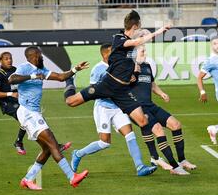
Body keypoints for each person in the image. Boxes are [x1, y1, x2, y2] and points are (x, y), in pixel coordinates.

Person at [63, 11, 170, 176]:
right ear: (134, 26)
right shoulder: (119, 39)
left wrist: (132, 71)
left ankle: (141, 166)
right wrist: (159, 31)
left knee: (142, 121)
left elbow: (137, 44)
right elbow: (140, 40)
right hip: (107, 87)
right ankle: (77, 153)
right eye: (139, 27)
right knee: (71, 102)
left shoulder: (130, 45)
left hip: (121, 92)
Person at [70, 43, 157, 177]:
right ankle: (78, 154)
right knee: (105, 142)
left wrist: (131, 79)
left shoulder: (120, 65)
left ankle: (140, 166)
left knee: (130, 134)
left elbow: (125, 84)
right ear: (105, 54)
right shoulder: (98, 69)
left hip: (118, 107)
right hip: (103, 108)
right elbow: (93, 90)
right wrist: (111, 89)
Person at [8, 46, 89, 190]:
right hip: (27, 112)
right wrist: (32, 76)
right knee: (52, 143)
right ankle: (72, 177)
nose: (41, 57)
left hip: (34, 113)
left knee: (46, 149)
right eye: (39, 55)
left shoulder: (41, 69)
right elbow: (11, 79)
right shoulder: (25, 67)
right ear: (33, 56)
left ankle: (28, 179)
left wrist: (75, 69)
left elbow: (60, 77)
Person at [131, 42, 196, 175]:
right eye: (143, 51)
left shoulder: (147, 66)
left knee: (176, 125)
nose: (146, 54)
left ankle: (182, 160)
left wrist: (161, 93)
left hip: (150, 105)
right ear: (134, 53)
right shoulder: (129, 68)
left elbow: (152, 84)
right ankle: (174, 167)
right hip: (138, 108)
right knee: (159, 131)